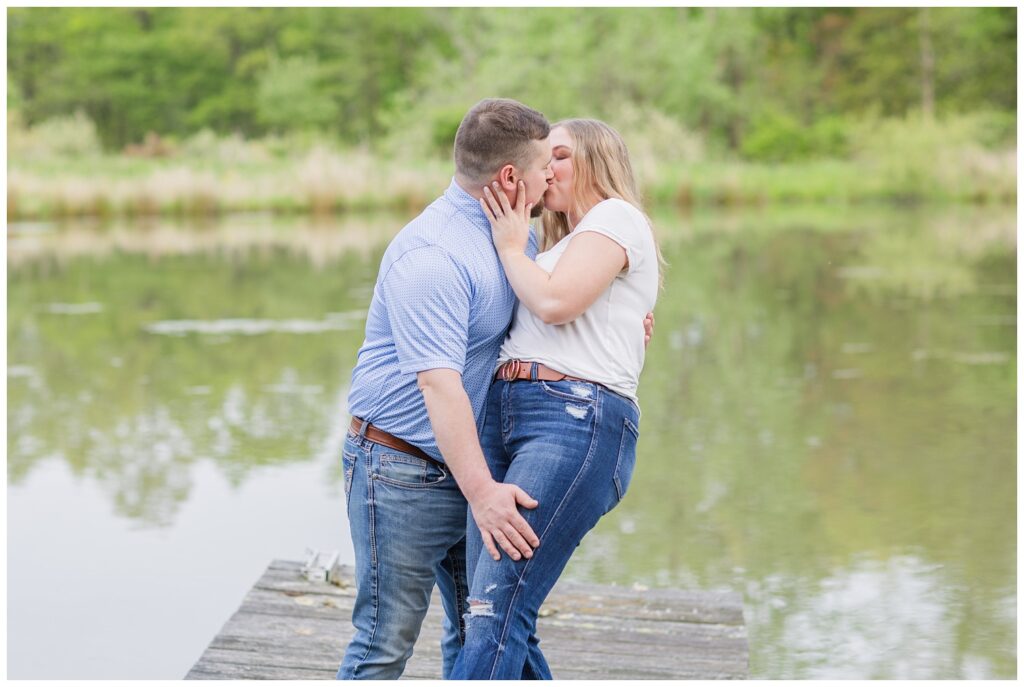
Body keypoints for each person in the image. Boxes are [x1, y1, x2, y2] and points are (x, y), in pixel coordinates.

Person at [336, 98, 553, 680]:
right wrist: (484, 492)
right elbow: (440, 387)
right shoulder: (433, 255)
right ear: (510, 177)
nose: (551, 176)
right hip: (399, 469)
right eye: (544, 167)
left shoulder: (515, 238)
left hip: (469, 464)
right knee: (385, 643)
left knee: (484, 632)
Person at [450, 118, 664, 680]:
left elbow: (555, 303)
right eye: (546, 159)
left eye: (562, 156)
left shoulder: (617, 216)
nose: (549, 169)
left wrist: (507, 246)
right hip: (508, 416)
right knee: (494, 615)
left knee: (496, 610)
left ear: (598, 161)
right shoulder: (550, 245)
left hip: (573, 419)